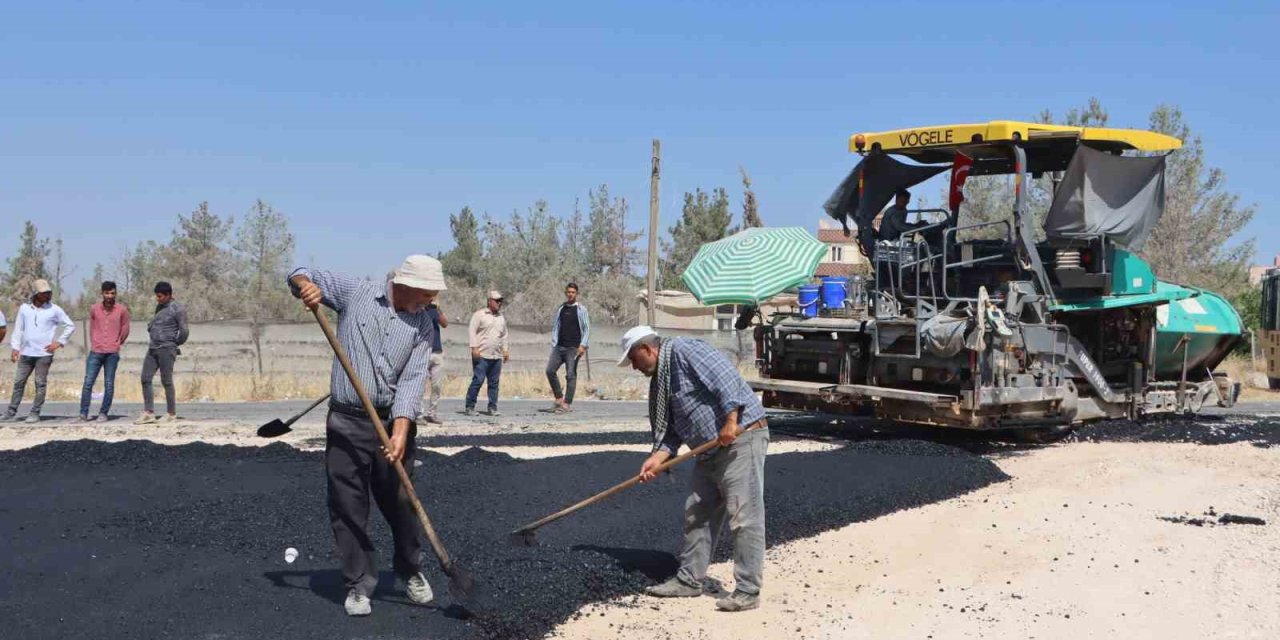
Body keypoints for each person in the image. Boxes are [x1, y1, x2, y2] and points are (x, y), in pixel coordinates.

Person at [287, 254, 444, 617]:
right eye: (427, 294)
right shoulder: (356, 293)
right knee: (348, 506)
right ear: (406, 284)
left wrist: (401, 430)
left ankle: (410, 569)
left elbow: (412, 379)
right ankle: (359, 583)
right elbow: (299, 271)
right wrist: (304, 287)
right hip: (345, 422)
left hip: (390, 422)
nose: (431, 302)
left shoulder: (423, 325)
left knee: (402, 503)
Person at [618, 325, 769, 612]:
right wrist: (658, 457)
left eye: (635, 360)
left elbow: (725, 378)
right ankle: (689, 581)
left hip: (741, 438)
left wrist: (730, 422)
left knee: (744, 515)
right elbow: (673, 431)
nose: (635, 368)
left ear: (646, 349)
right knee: (697, 513)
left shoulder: (686, 350)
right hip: (711, 449)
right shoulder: (663, 381)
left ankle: (748, 590)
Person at [3, 279, 76, 424]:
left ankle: (35, 413)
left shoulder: (54, 309)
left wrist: (59, 342)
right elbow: (19, 329)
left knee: (40, 383)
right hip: (26, 353)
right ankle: (11, 412)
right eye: (44, 293)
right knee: (19, 382)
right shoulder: (24, 308)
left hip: (44, 355)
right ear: (36, 294)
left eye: (49, 292)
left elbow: (70, 325)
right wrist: (15, 347)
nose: (48, 295)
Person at [135, 282, 189, 425]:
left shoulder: (178, 308)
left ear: (168, 295)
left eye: (160, 296)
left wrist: (173, 344)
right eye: (156, 296)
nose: (157, 299)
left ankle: (171, 413)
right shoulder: (159, 307)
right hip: (153, 348)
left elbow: (184, 331)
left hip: (167, 348)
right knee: (145, 378)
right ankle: (148, 413)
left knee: (166, 381)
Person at [79, 281, 131, 421]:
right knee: (88, 382)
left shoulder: (122, 310)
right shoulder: (94, 309)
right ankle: (83, 413)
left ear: (115, 294)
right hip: (96, 351)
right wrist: (95, 342)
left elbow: (125, 329)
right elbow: (92, 328)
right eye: (107, 293)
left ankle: (103, 413)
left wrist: (117, 343)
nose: (109, 296)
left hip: (112, 353)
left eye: (112, 293)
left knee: (109, 383)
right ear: (102, 293)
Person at [546, 282, 590, 413]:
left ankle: (566, 403)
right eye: (568, 292)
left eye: (573, 292)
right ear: (566, 293)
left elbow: (587, 328)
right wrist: (554, 343)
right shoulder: (561, 308)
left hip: (573, 348)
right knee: (550, 370)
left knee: (571, 374)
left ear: (576, 294)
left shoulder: (581, 309)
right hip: (559, 346)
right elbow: (556, 326)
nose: (570, 294)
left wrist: (583, 345)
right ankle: (559, 398)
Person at [465, 291, 508, 417]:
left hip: (496, 356)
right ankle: (470, 406)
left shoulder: (501, 317)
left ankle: (492, 407)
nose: (499, 303)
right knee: (478, 380)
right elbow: (472, 331)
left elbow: (504, 334)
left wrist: (505, 350)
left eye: (501, 301)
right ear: (489, 301)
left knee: (494, 382)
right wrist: (474, 348)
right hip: (482, 355)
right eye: (496, 300)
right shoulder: (480, 315)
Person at [417, 298, 448, 425]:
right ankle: (418, 414)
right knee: (419, 386)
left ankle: (432, 413)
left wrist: (438, 308)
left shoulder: (435, 310)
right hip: (423, 351)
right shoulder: (418, 309)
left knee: (436, 386)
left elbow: (445, 323)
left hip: (437, 352)